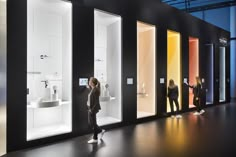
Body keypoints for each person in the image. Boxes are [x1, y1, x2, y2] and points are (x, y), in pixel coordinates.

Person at [87, 77, 105, 144]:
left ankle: (95, 138)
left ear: (92, 83)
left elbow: (96, 102)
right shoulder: (93, 89)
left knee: (93, 124)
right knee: (91, 123)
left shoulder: (96, 90)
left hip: (93, 109)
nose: (88, 82)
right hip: (90, 108)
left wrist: (92, 110)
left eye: (89, 81)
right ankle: (101, 130)